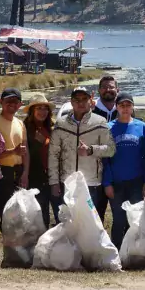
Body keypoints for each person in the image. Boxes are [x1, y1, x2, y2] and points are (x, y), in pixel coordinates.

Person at [48, 86, 116, 220]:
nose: (80, 103)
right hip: (66, 182)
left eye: (84, 99)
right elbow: (53, 155)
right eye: (77, 99)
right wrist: (54, 182)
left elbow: (111, 149)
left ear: (91, 100)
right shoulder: (61, 124)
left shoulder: (100, 122)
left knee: (89, 222)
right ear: (71, 102)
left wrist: (91, 150)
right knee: (68, 221)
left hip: (91, 183)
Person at [103, 92, 145, 248]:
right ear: (116, 107)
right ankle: (117, 252)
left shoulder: (142, 128)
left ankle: (134, 252)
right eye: (122, 105)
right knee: (118, 219)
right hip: (116, 183)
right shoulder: (108, 128)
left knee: (135, 219)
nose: (125, 108)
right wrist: (107, 183)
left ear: (133, 107)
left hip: (136, 182)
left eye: (128, 105)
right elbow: (104, 159)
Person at [23, 93, 58, 227]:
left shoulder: (52, 127)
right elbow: (25, 154)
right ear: (32, 111)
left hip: (53, 175)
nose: (42, 112)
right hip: (35, 177)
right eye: (39, 108)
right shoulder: (24, 128)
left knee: (59, 210)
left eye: (45, 108)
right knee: (40, 214)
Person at [0, 88, 28, 220]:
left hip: (18, 171)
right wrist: (13, 152)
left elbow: (26, 152)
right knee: (2, 209)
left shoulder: (20, 123)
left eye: (15, 101)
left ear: (20, 104)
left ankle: (15, 238)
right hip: (2, 172)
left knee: (18, 209)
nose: (12, 104)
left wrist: (25, 173)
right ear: (1, 102)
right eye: (8, 101)